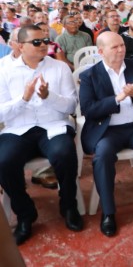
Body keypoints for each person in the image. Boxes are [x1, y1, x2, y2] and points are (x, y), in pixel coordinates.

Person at [0, 25, 82, 245]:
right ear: (20, 46)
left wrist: (48, 96)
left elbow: (71, 106)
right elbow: (1, 112)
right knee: (4, 160)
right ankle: (25, 214)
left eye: (46, 41)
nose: (44, 45)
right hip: (18, 129)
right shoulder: (4, 70)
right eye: (37, 42)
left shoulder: (59, 67)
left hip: (53, 125)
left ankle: (69, 206)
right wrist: (24, 98)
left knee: (64, 153)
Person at [79, 32, 133, 237]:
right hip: (108, 130)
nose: (121, 50)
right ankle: (108, 212)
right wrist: (117, 98)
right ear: (101, 52)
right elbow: (88, 110)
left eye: (122, 45)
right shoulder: (89, 75)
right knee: (102, 155)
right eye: (114, 47)